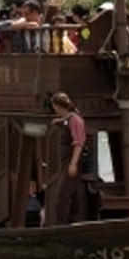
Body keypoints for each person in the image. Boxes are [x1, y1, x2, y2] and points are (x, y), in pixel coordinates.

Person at [42, 92, 88, 226]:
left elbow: (78, 142)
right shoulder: (68, 119)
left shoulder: (75, 120)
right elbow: (65, 120)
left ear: (56, 106)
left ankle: (61, 225)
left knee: (62, 196)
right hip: (66, 161)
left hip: (72, 161)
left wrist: (73, 164)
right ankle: (72, 222)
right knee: (70, 194)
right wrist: (59, 121)